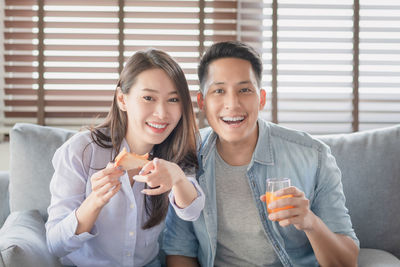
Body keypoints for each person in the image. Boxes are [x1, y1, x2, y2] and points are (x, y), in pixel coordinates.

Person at [163, 41, 359, 266]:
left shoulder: (313, 156)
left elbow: (347, 262)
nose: (232, 104)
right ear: (202, 102)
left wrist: (309, 222)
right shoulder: (186, 156)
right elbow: (180, 252)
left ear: (261, 98)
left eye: (244, 90)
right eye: (219, 91)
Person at [45, 49, 205, 267]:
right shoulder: (82, 150)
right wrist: (95, 201)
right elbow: (55, 245)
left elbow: (192, 210)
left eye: (173, 99)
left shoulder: (178, 150)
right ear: (122, 99)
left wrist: (178, 178)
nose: (162, 112)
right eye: (148, 98)